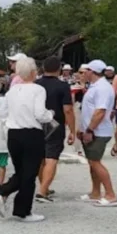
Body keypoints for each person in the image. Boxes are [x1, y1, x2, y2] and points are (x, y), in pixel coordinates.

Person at [0, 57, 54, 223]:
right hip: (32, 133)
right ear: (34, 72)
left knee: (21, 171)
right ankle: (22, 210)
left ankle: (4, 193)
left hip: (13, 134)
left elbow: (2, 112)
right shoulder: (38, 90)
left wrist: (10, 123)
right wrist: (50, 115)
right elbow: (40, 113)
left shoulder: (12, 91)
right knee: (29, 173)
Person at [36, 55, 76, 203]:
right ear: (59, 69)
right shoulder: (63, 86)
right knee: (51, 157)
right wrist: (72, 130)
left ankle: (44, 186)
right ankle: (42, 191)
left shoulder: (35, 84)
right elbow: (68, 110)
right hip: (55, 124)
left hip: (37, 123)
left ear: (43, 68)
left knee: (40, 158)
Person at [78, 59, 117, 206]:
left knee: (95, 162)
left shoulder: (102, 88)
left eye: (86, 70)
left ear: (93, 71)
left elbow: (100, 112)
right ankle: (95, 192)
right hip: (92, 130)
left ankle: (110, 195)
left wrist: (89, 130)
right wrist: (82, 128)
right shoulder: (95, 86)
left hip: (98, 131)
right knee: (92, 162)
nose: (84, 73)